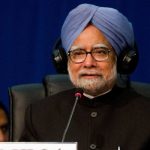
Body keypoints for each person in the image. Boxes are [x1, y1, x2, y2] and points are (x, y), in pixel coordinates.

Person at [20, 3, 150, 150]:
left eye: (100, 52)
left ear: (120, 59)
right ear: (64, 60)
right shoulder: (39, 115)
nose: (88, 63)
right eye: (78, 53)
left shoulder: (146, 116)